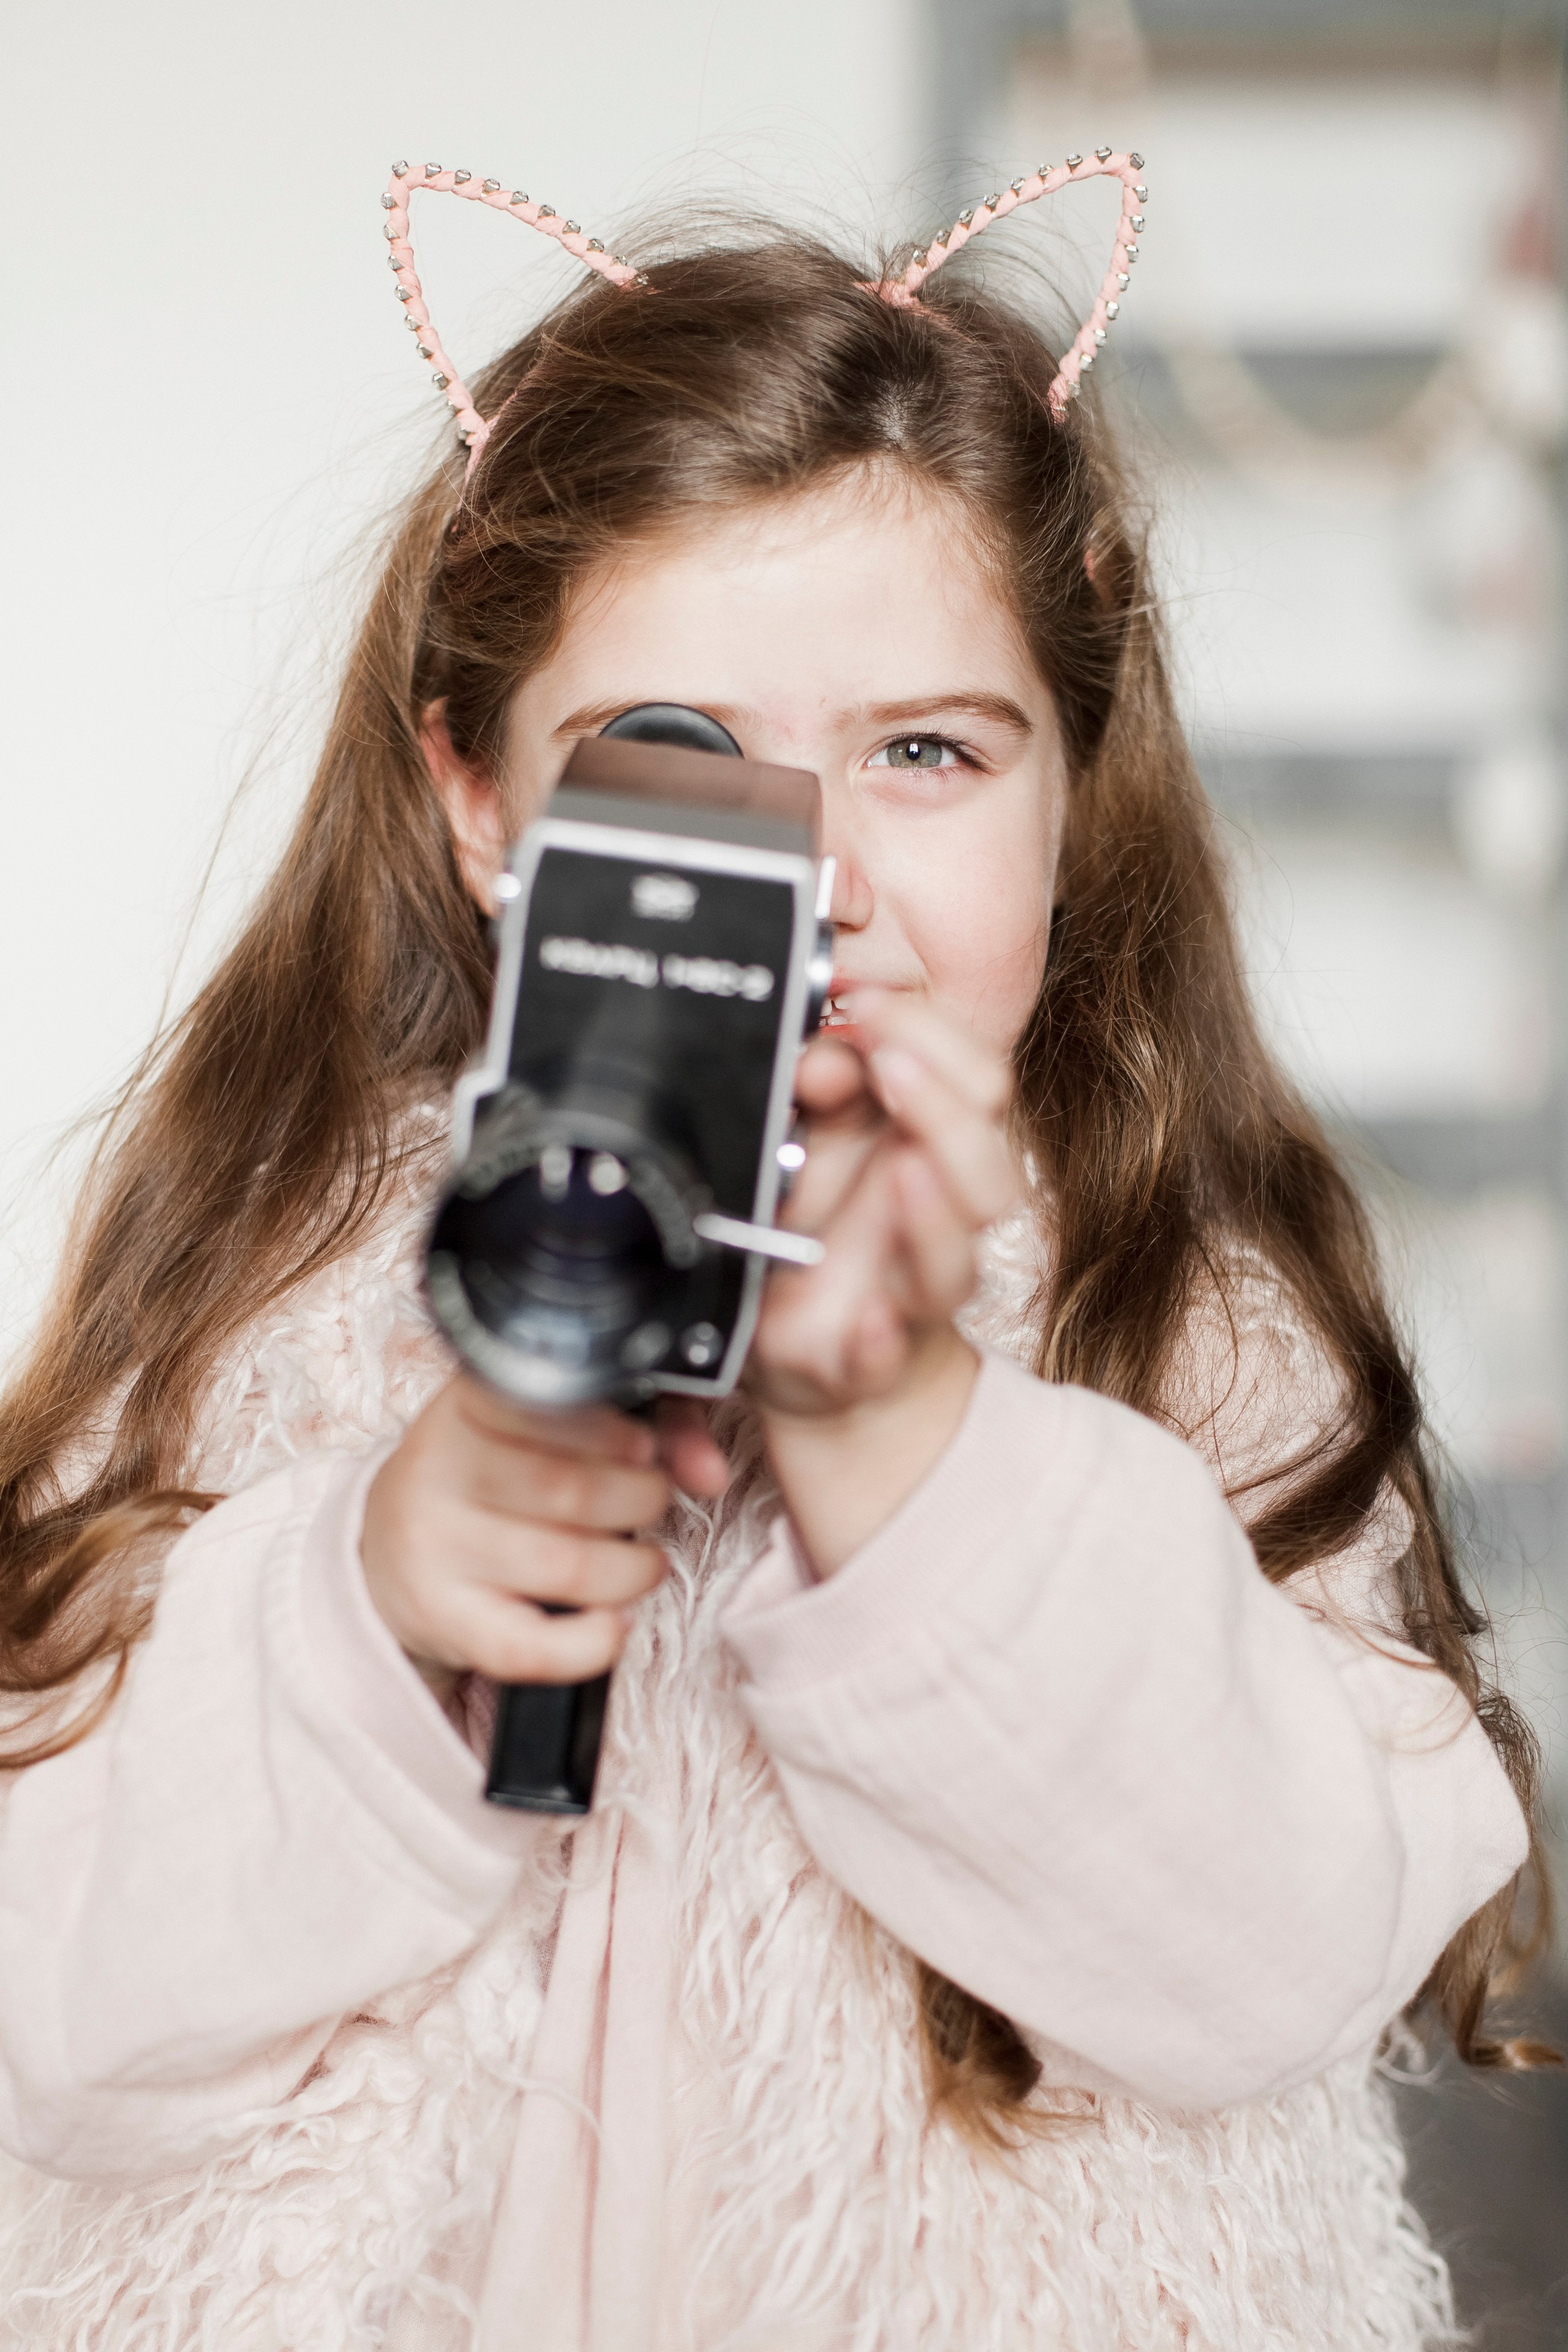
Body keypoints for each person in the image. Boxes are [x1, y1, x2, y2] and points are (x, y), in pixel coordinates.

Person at [0, 154, 1550, 2352]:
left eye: (924, 750)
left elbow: (1269, 1967)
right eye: (674, 757)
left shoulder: (1189, 1334)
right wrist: (369, 1619)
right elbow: (54, 2014)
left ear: (1072, 796)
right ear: (479, 802)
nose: (807, 876)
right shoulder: (270, 1308)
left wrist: (910, 1435)